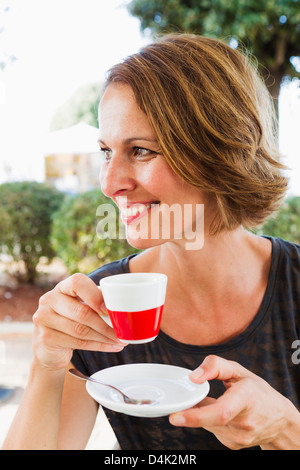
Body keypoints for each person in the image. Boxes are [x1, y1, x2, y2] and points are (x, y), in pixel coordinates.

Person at [3, 33, 300, 451]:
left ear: (220, 151)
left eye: (140, 150)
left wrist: (288, 430)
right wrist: (45, 365)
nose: (109, 184)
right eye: (106, 150)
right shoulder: (100, 311)